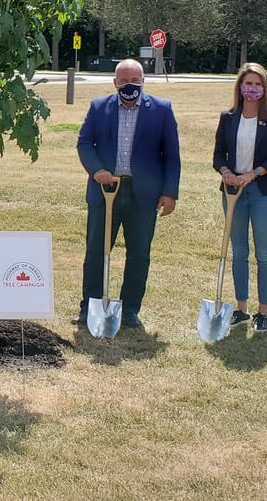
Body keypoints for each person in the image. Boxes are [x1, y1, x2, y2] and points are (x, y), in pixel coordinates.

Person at [76, 58, 180, 330]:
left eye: (135, 81)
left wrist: (170, 193)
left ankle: (130, 309)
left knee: (139, 253)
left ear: (143, 81)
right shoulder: (99, 108)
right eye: (124, 81)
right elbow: (85, 143)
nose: (129, 86)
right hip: (105, 190)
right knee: (97, 250)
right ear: (115, 83)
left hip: (143, 194)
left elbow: (171, 156)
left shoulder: (161, 109)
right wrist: (96, 170)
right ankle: (91, 306)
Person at [212, 63, 267, 332]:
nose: (253, 88)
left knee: (263, 253)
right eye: (248, 83)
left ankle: (262, 311)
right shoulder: (229, 116)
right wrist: (225, 172)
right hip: (233, 191)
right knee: (239, 251)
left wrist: (252, 174)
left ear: (264, 88)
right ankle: (241, 308)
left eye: (258, 84)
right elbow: (219, 153)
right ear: (240, 87)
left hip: (262, 191)